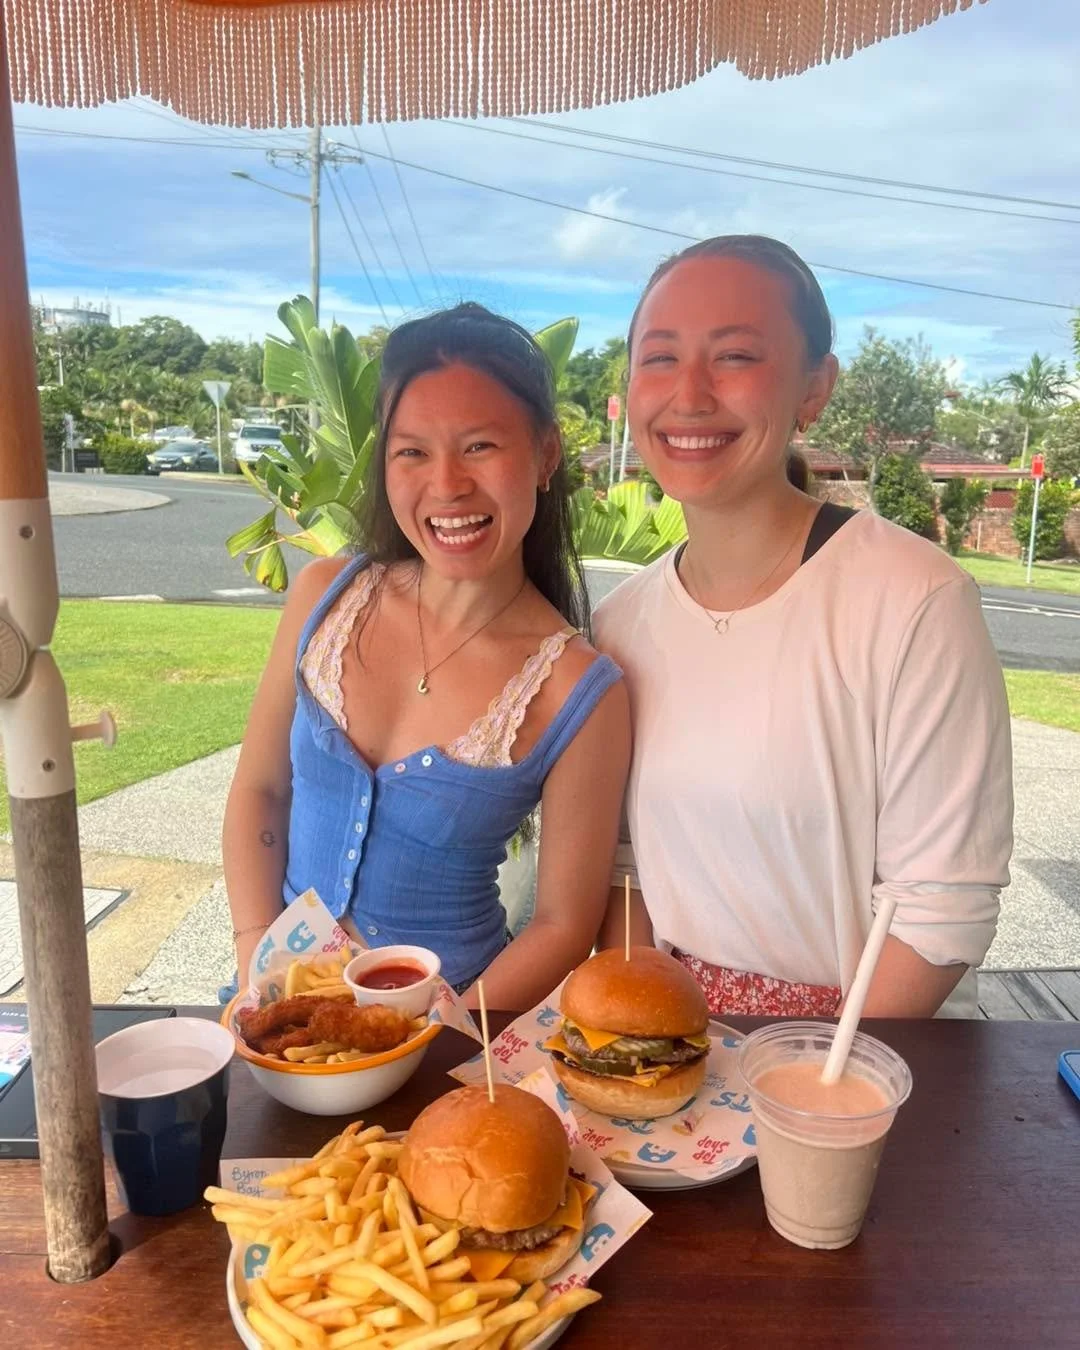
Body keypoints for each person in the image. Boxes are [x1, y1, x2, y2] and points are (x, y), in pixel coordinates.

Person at [594, 236, 1012, 1018]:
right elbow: (625, 871)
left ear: (814, 388)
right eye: (659, 358)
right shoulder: (619, 625)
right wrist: (650, 1037)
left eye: (735, 357)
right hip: (670, 1044)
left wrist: (819, 1088)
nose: (688, 395)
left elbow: (942, 906)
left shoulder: (915, 600)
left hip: (859, 1048)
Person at [224, 303, 629, 1008]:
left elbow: (564, 924)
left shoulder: (576, 688)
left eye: (479, 447)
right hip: (278, 1008)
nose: (446, 486)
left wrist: (443, 1039)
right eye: (412, 451)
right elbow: (260, 791)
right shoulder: (326, 596)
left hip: (448, 1032)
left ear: (545, 454)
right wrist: (254, 951)